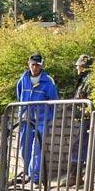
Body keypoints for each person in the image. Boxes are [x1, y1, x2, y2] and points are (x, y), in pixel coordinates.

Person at [16, 52, 59, 183]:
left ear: (41, 66)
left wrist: (47, 117)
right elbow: (19, 97)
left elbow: (54, 101)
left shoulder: (48, 81)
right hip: (25, 120)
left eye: (37, 65)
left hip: (41, 120)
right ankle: (27, 172)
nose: (34, 68)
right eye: (33, 65)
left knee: (37, 149)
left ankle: (34, 177)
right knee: (25, 148)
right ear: (28, 64)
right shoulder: (23, 80)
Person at [70, 54, 94, 185]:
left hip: (86, 118)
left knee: (79, 145)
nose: (77, 68)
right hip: (82, 117)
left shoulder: (88, 80)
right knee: (79, 145)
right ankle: (75, 176)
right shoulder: (84, 79)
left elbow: (87, 97)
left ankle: (75, 176)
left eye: (79, 65)